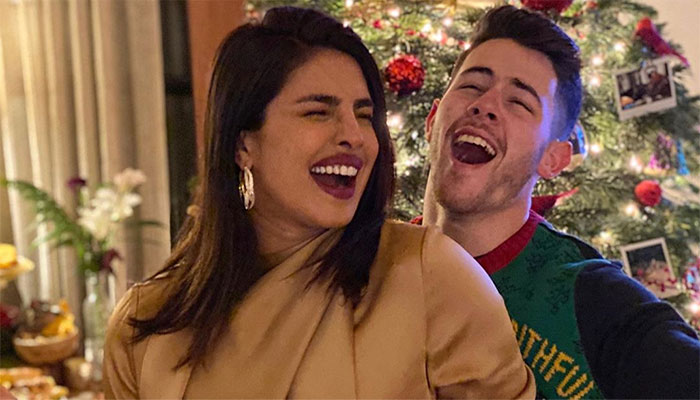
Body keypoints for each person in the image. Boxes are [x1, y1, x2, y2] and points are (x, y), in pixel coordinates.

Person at [103, 6, 535, 399]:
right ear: (243, 144)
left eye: (364, 115)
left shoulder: (428, 274)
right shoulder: (145, 324)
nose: (355, 136)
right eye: (318, 112)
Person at [421, 5, 700, 399]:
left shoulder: (598, 301)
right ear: (433, 120)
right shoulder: (366, 261)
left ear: (554, 159)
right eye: (472, 85)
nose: (485, 105)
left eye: (519, 102)